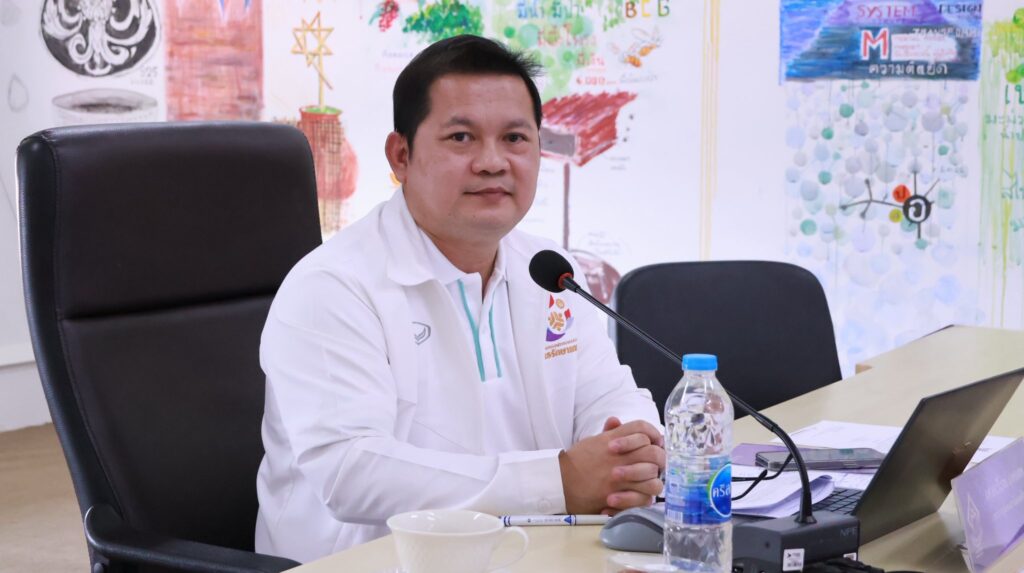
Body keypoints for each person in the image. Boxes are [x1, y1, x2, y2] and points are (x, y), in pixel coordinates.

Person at [255, 34, 664, 563]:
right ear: (401, 155)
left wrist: (631, 453)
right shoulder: (333, 286)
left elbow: (607, 396)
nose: (493, 162)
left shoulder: (549, 271)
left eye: (515, 138)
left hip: (531, 552)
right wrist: (559, 482)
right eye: (462, 138)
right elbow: (351, 472)